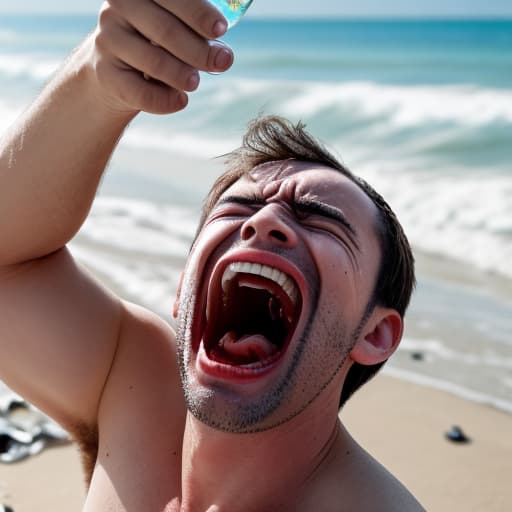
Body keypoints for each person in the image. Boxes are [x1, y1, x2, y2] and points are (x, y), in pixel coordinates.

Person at [0, 1, 424, 510]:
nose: (263, 221)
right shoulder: (137, 386)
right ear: (185, 290)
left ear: (374, 333)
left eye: (317, 218)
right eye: (240, 206)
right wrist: (99, 80)